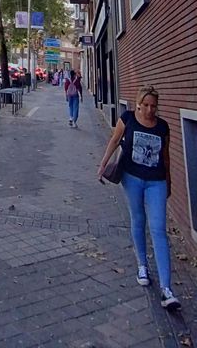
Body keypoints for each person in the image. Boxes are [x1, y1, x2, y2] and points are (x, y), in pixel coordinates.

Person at [97, 86, 180, 311]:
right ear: (139, 104)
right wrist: (103, 164)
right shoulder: (127, 119)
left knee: (159, 229)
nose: (150, 110)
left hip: (157, 181)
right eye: (146, 106)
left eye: (154, 106)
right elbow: (114, 141)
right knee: (138, 219)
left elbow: (166, 157)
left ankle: (166, 289)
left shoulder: (163, 127)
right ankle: (142, 265)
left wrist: (169, 182)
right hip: (132, 178)